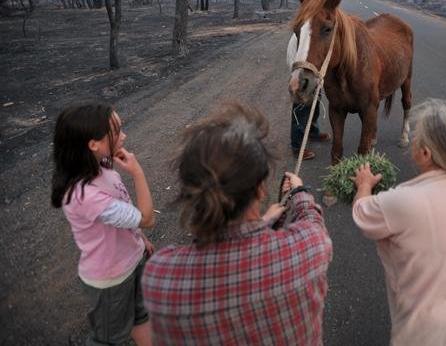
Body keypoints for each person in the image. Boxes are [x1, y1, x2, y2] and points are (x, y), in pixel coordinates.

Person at [142, 101, 332, 345]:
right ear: (261, 189)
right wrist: (299, 192)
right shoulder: (310, 246)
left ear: (191, 193)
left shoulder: (160, 274)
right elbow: (312, 221)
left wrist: (264, 221)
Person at [351, 98, 446, 345]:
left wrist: (364, 185)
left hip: (429, 324)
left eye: (416, 137)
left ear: (425, 153)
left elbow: (362, 214)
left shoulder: (406, 201)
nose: (412, 140)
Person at [51, 103, 155, 346]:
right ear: (93, 144)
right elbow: (147, 218)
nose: (124, 136)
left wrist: (139, 240)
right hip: (112, 278)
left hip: (132, 261)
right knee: (109, 339)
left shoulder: (100, 167)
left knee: (141, 316)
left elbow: (126, 215)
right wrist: (138, 173)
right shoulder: (85, 195)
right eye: (116, 131)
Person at [287, 28, 330, 161]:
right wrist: (300, 80)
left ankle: (312, 132)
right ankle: (297, 147)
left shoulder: (316, 31)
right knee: (301, 111)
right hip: (302, 77)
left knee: (315, 105)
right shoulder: (302, 35)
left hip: (313, 76)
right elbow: (294, 58)